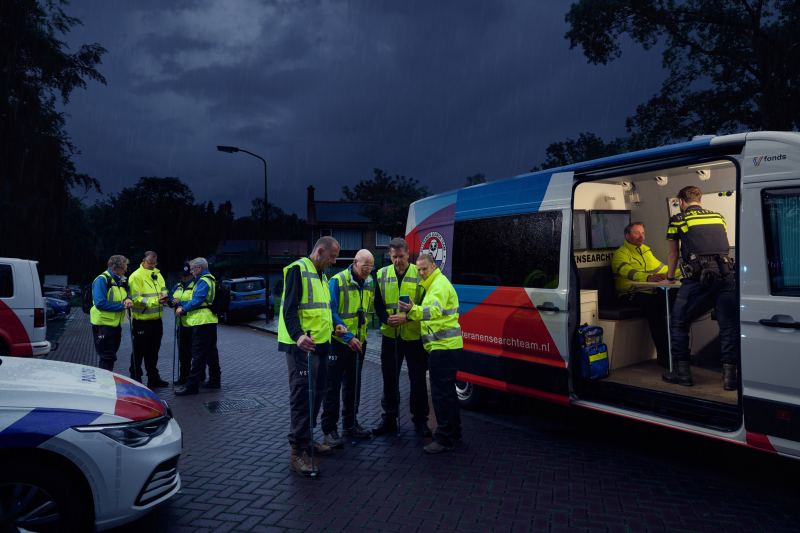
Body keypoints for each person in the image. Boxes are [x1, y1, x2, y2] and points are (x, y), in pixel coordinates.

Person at [662, 185, 737, 390]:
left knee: (678, 323)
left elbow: (673, 253)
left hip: (698, 279)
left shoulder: (678, 219)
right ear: (699, 199)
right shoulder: (718, 216)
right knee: (728, 326)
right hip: (726, 276)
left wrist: (670, 277)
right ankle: (730, 378)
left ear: (681, 201)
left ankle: (683, 374)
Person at [278, 236, 340, 476]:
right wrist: (298, 336)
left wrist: (334, 328)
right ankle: (297, 452)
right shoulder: (298, 270)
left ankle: (308, 439)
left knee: (318, 394)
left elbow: (322, 310)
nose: (334, 262)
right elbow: (289, 308)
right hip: (301, 347)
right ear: (320, 251)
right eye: (332, 256)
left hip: (321, 344)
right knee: (302, 396)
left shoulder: (321, 275)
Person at [398, 252, 463, 454]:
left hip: (443, 348)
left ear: (434, 266)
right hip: (446, 347)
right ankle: (454, 433)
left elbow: (432, 311)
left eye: (424, 268)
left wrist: (412, 310)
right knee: (448, 393)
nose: (421, 273)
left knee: (440, 395)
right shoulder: (436, 284)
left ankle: (444, 439)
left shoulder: (438, 285)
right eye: (418, 269)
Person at [372, 238, 430, 437]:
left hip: (414, 336)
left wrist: (407, 317)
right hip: (390, 336)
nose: (398, 261)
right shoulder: (381, 274)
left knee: (418, 380)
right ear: (390, 255)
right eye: (394, 257)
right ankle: (389, 419)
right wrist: (386, 319)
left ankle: (421, 422)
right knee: (389, 380)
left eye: (401, 257)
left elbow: (425, 304)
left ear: (408, 254)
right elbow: (378, 304)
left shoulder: (419, 273)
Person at [321, 249, 375, 447]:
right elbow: (330, 311)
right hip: (338, 343)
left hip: (359, 343)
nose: (368, 270)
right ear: (355, 262)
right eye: (365, 266)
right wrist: (348, 337)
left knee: (354, 385)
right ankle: (329, 430)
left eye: (371, 267)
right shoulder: (337, 281)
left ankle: (350, 424)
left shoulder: (369, 282)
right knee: (332, 387)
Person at [611, 222, 673, 368]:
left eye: (643, 233)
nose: (641, 236)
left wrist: (678, 272)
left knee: (673, 304)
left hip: (649, 292)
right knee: (657, 311)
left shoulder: (646, 251)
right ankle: (665, 357)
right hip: (630, 294)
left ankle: (675, 355)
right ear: (627, 236)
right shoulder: (620, 253)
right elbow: (628, 272)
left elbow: (662, 268)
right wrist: (648, 278)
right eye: (636, 233)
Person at [174, 258, 222, 395]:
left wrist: (183, 308)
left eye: (193, 269)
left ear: (199, 268)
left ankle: (192, 386)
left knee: (198, 354)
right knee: (211, 352)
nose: (191, 272)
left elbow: (198, 299)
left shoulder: (203, 280)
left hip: (202, 321)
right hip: (209, 320)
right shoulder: (208, 279)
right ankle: (215, 380)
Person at [127, 251, 169, 387]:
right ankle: (135, 379)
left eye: (154, 263)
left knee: (154, 351)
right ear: (143, 260)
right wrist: (155, 301)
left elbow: (164, 288)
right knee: (139, 351)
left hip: (157, 320)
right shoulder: (136, 276)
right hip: (142, 321)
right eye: (150, 262)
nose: (152, 265)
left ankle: (153, 378)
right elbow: (136, 298)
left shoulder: (158, 274)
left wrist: (165, 296)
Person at [90, 255, 133, 371]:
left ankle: (106, 380)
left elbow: (126, 294)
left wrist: (128, 299)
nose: (125, 270)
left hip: (115, 325)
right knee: (107, 357)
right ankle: (104, 382)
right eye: (124, 268)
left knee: (110, 356)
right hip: (103, 325)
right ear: (115, 268)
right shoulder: (101, 280)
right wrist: (122, 306)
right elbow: (100, 303)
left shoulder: (120, 280)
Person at [170, 262, 196, 386]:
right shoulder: (178, 286)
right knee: (183, 354)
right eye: (184, 276)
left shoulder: (196, 284)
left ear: (192, 274)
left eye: (188, 275)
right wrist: (172, 301)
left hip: (193, 324)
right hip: (180, 324)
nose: (186, 278)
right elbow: (170, 298)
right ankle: (183, 377)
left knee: (195, 353)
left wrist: (180, 303)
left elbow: (195, 301)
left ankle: (197, 377)